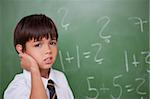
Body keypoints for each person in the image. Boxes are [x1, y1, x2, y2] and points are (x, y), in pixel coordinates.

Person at [4, 14, 74, 99]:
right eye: (38, 45)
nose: (48, 50)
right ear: (21, 49)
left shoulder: (60, 78)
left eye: (52, 43)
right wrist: (34, 68)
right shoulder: (17, 88)